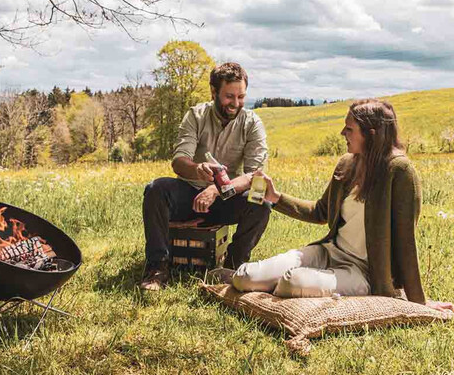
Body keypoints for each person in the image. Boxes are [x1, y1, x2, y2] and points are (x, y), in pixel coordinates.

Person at [230, 98, 453, 312]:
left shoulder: (400, 172)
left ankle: (299, 283)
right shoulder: (348, 163)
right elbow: (321, 212)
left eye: (349, 129)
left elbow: (406, 241)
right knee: (244, 277)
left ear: (370, 134)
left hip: (363, 271)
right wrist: (276, 197)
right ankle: (233, 276)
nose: (342, 133)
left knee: (291, 282)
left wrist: (419, 301)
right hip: (329, 251)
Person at [140, 62, 272, 291]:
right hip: (190, 195)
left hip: (227, 199)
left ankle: (233, 265)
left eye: (241, 96)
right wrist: (196, 169)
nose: (235, 103)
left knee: (262, 202)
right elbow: (179, 161)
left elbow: (255, 174)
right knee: (156, 189)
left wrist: (216, 189)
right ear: (213, 92)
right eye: (229, 96)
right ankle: (157, 268)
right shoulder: (196, 115)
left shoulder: (252, 123)